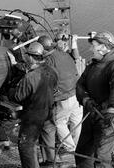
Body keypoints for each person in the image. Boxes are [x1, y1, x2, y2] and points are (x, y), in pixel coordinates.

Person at [75, 31, 114, 168]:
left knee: (101, 159)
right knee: (82, 152)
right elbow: (80, 85)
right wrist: (86, 99)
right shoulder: (92, 66)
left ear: (104, 47)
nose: (90, 49)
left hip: (107, 120)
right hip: (90, 115)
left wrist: (110, 112)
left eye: (93, 45)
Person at [8, 42, 58, 168]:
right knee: (47, 140)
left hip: (33, 117)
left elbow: (18, 97)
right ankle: (50, 164)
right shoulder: (52, 71)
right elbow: (55, 88)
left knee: (26, 146)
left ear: (30, 57)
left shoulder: (30, 77)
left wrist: (10, 89)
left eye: (27, 56)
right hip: (50, 112)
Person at [38, 34, 83, 163]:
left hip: (63, 97)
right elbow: (75, 57)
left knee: (59, 122)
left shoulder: (49, 60)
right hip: (76, 93)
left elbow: (45, 78)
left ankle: (70, 147)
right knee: (76, 120)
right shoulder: (64, 54)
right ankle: (77, 145)